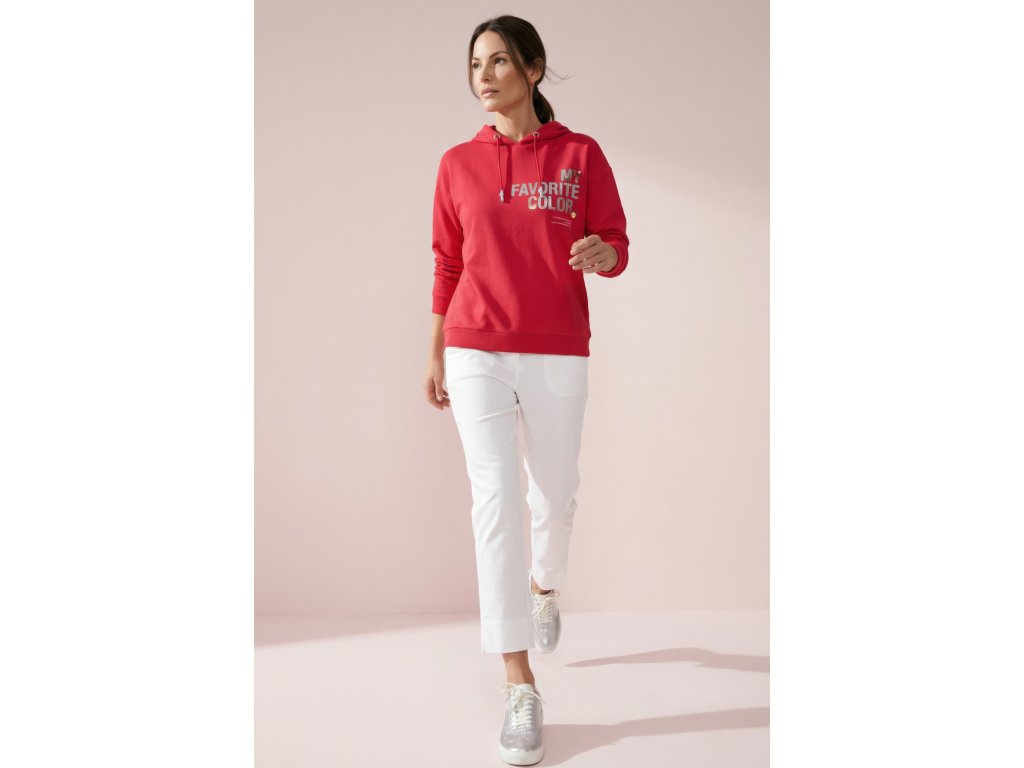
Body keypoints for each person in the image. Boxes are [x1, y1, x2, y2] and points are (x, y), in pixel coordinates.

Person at [421, 14, 629, 766]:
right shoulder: (456, 164)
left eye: (500, 61)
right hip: (475, 346)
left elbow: (616, 244)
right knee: (495, 500)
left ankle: (545, 587)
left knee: (555, 494)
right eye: (475, 63)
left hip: (555, 347)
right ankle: (519, 681)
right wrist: (436, 349)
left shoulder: (581, 154)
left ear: (534, 69)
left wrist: (603, 253)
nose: (484, 76)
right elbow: (447, 262)